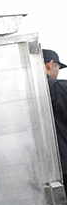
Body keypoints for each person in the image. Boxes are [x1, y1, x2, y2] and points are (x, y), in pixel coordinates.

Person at [44, 49, 67, 183]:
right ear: (50, 64)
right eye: (58, 67)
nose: (57, 72)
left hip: (47, 167)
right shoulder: (58, 87)